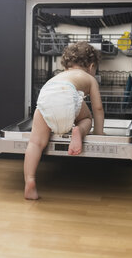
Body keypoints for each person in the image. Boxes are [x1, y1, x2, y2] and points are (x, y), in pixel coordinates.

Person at [24, 41, 105, 200]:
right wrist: (98, 132)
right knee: (86, 118)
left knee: (35, 143)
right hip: (68, 94)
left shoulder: (59, 76)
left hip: (46, 96)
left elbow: (54, 101)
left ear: (67, 65)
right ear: (91, 66)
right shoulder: (89, 78)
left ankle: (30, 181)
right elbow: (98, 108)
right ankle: (78, 131)